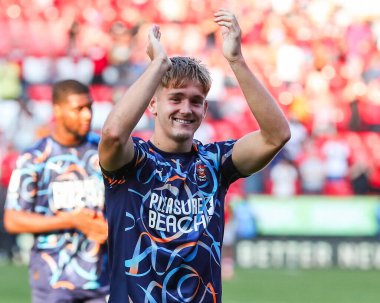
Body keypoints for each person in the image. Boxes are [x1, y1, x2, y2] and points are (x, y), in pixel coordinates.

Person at [99, 9, 290, 303]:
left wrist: (236, 60)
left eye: (196, 101)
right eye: (175, 98)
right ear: (152, 105)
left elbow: (276, 135)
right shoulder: (132, 161)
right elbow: (112, 135)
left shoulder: (216, 163)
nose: (186, 109)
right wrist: (158, 66)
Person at [4, 79, 109, 303]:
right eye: (78, 109)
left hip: (101, 280)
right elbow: (13, 220)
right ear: (58, 111)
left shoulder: (105, 152)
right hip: (53, 281)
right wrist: (72, 220)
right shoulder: (35, 158)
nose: (87, 115)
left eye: (89, 107)